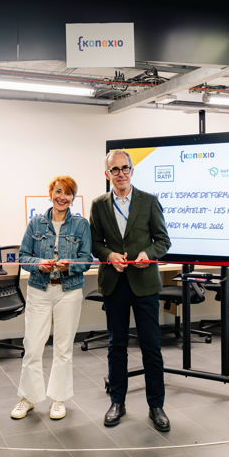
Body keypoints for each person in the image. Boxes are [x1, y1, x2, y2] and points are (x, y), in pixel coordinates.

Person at [89, 149, 172, 431]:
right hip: (114, 284)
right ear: (107, 174)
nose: (121, 173)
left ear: (132, 171)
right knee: (116, 347)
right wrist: (109, 255)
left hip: (145, 284)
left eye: (125, 168)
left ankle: (156, 406)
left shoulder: (149, 201)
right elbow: (94, 244)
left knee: (151, 347)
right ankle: (117, 402)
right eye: (115, 169)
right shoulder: (99, 205)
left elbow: (163, 240)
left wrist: (148, 253)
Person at [11, 176, 92, 421]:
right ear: (50, 193)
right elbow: (23, 256)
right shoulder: (36, 223)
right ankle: (29, 397)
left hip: (68, 291)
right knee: (33, 346)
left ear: (73, 198)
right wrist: (39, 264)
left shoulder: (81, 225)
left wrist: (71, 265)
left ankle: (58, 399)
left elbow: (86, 259)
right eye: (58, 192)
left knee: (63, 348)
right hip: (39, 290)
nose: (62, 197)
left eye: (68, 194)